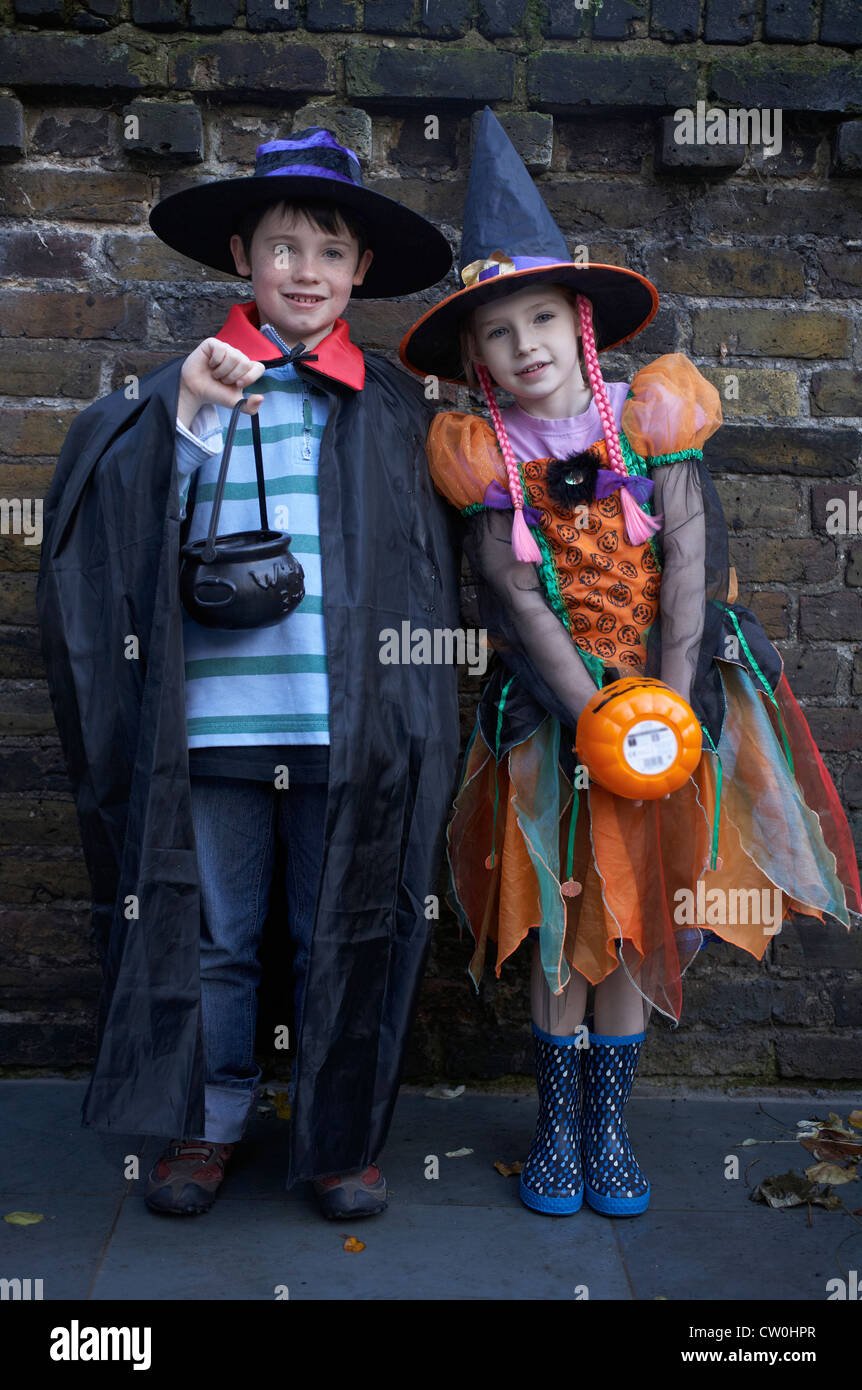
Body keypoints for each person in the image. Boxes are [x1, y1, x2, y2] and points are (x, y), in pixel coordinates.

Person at [400, 108, 862, 1218]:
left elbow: (690, 560)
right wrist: (591, 714)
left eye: (542, 318)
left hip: (677, 702)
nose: (525, 346)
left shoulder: (654, 420)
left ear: (581, 323)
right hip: (555, 724)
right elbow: (512, 603)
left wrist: (670, 697)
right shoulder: (480, 462)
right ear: (476, 360)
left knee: (641, 920)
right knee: (565, 926)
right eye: (500, 333)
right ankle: (555, 1128)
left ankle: (609, 1131)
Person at [36, 128, 461, 1220]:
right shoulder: (181, 392)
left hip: (344, 730)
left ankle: (333, 1138)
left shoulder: (389, 408)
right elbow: (112, 526)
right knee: (215, 936)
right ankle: (208, 1123)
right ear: (242, 255)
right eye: (284, 248)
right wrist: (184, 412)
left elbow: (436, 566)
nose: (305, 271)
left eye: (328, 250)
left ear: (359, 270)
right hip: (217, 728)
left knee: (344, 928)